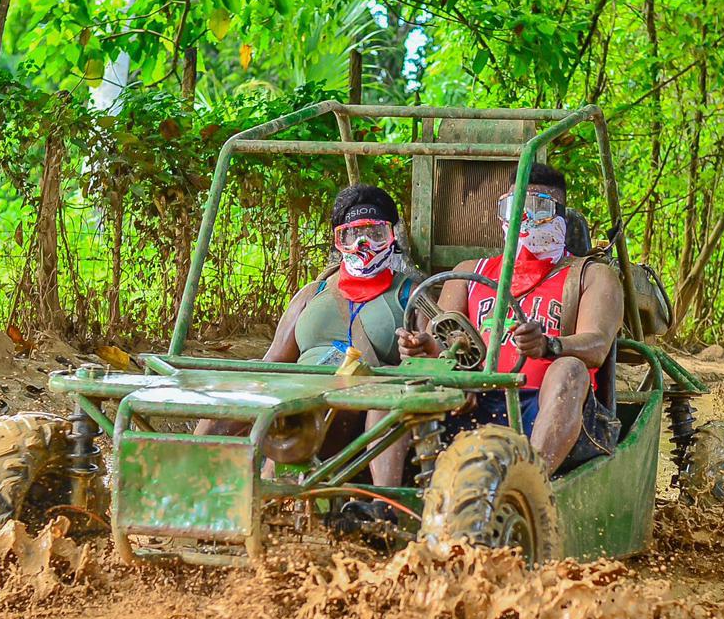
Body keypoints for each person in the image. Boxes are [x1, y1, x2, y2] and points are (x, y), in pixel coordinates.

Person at [396, 163, 624, 473]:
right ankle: (384, 501)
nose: (524, 219)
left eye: (538, 209)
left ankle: (530, 484)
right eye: (513, 208)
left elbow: (596, 345)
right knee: (398, 376)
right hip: (473, 402)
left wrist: (549, 345)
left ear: (560, 216)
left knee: (570, 369)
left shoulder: (591, 275)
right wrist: (424, 349)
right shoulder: (469, 273)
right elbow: (444, 342)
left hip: (550, 408)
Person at [202, 184, 417, 488]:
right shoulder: (312, 293)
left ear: (392, 236)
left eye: (375, 233)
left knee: (383, 402)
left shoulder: (412, 296)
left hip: (361, 410)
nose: (363, 244)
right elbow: (273, 360)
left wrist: (416, 352)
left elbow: (430, 361)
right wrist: (236, 386)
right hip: (297, 396)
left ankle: (384, 507)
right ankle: (191, 493)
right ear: (338, 241)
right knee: (229, 397)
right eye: (352, 235)